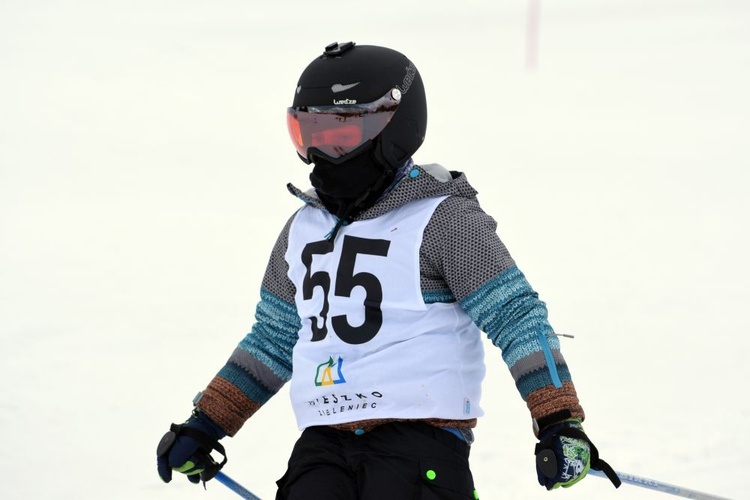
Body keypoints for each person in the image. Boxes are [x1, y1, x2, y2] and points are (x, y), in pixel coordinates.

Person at [156, 41, 620, 499]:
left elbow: (516, 317)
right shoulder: (302, 230)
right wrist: (207, 422)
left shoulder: (444, 220)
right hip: (323, 446)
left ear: (394, 128)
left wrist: (559, 420)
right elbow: (275, 338)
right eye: (311, 134)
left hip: (418, 446)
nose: (326, 152)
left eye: (342, 135)